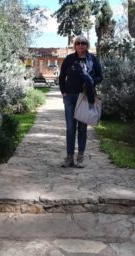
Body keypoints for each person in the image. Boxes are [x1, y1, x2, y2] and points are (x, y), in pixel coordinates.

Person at [58, 35, 103, 168]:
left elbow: (100, 76)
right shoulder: (69, 59)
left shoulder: (92, 59)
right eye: (78, 43)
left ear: (87, 45)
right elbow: (62, 77)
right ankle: (69, 157)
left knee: (82, 128)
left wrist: (91, 81)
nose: (80, 45)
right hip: (70, 97)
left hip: (84, 97)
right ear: (75, 45)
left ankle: (80, 157)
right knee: (70, 128)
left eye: (83, 43)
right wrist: (64, 92)